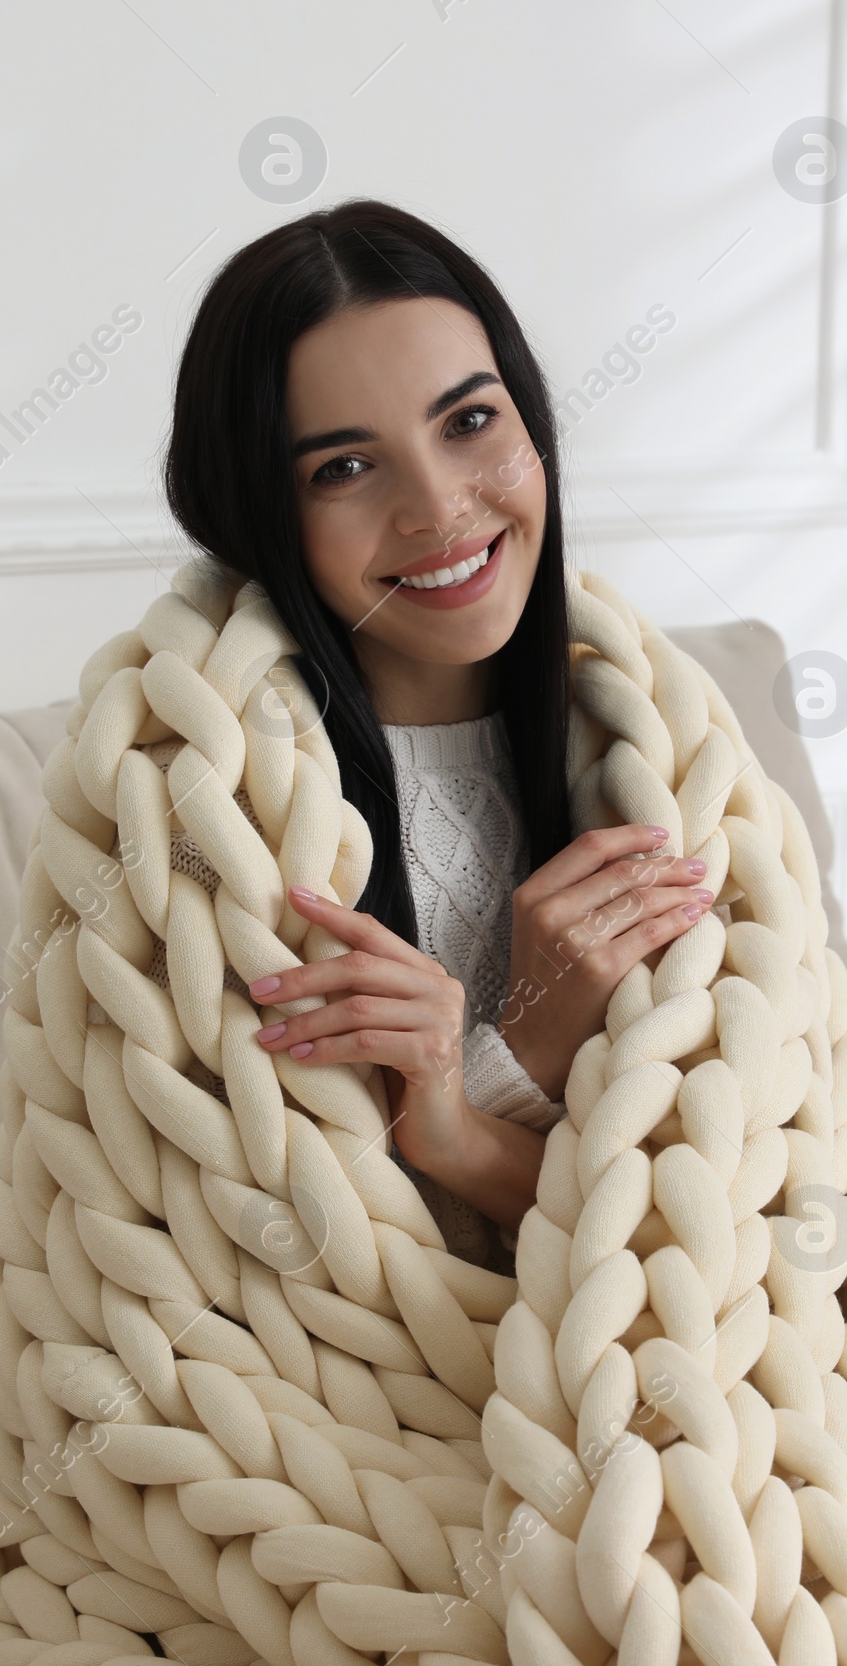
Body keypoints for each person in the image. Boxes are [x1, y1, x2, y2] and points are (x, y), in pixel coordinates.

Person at [163, 201, 712, 1265]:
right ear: (261, 514)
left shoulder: (664, 753)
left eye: (468, 423)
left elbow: (737, 1240)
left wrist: (466, 1112)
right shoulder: (207, 821)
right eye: (343, 468)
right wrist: (526, 1046)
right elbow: (311, 1284)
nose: (440, 509)